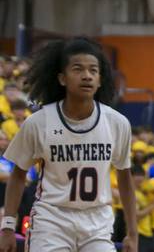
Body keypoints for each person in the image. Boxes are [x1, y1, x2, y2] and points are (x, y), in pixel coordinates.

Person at [0, 37, 137, 252]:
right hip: (51, 218)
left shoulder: (117, 123)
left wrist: (132, 233)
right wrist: (8, 226)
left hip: (97, 220)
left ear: (100, 80)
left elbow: (125, 178)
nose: (87, 76)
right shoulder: (39, 122)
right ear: (62, 78)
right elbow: (18, 175)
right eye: (78, 69)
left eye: (93, 70)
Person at [132, 163, 154, 252]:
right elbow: (136, 216)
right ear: (131, 177)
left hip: (148, 233)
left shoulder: (143, 193)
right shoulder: (131, 194)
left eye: (141, 175)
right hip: (138, 234)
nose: (140, 178)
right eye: (137, 175)